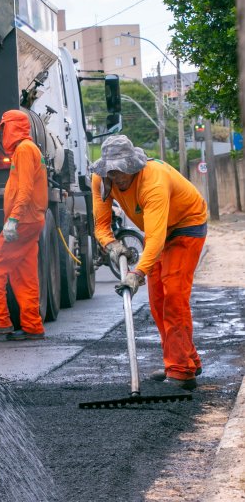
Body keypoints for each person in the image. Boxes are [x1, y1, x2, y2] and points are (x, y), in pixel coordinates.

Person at [91, 135, 207, 390]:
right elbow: (101, 225)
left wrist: (138, 272)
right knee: (158, 302)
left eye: (122, 170)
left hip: (186, 225)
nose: (118, 176)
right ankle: (187, 360)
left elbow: (155, 238)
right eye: (112, 170)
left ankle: (181, 372)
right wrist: (111, 245)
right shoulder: (101, 179)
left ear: (133, 164)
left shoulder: (153, 180)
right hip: (159, 231)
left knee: (174, 295)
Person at [0, 109, 48, 341]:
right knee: (23, 274)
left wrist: (14, 219)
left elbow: (25, 188)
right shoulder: (26, 149)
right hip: (30, 220)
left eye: (3, 128)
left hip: (24, 221)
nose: (1, 134)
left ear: (13, 128)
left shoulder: (25, 150)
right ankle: (32, 326)